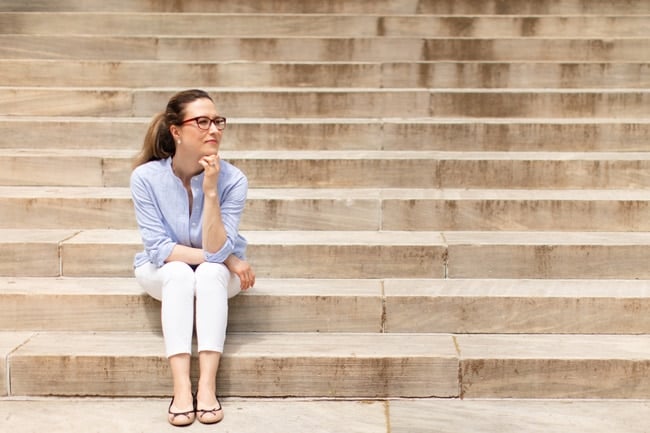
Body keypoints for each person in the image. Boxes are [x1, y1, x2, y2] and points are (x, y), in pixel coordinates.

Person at [130, 89, 255, 426]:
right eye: (202, 121)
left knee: (210, 273)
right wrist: (230, 258)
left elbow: (216, 248)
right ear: (176, 131)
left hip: (216, 276)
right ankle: (182, 388)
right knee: (180, 274)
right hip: (161, 271)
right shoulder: (145, 178)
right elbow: (160, 248)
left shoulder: (233, 179)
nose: (213, 129)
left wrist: (211, 190)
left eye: (218, 122)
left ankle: (208, 387)